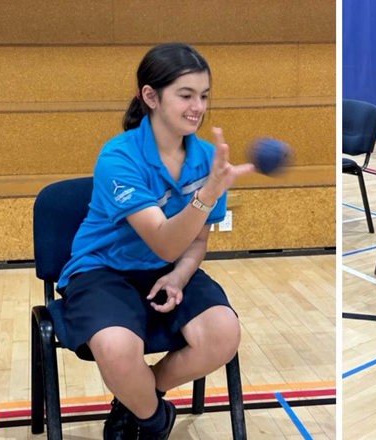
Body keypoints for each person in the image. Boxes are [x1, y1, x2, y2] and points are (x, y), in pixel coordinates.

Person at [57, 43, 255, 439]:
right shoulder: (118, 157)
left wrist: (180, 276)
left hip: (167, 269)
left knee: (223, 333)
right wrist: (207, 196)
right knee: (114, 347)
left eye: (204, 95)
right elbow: (165, 241)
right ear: (150, 96)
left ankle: (139, 397)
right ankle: (154, 418)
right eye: (185, 95)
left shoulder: (206, 160)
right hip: (103, 269)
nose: (198, 106)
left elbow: (194, 241)